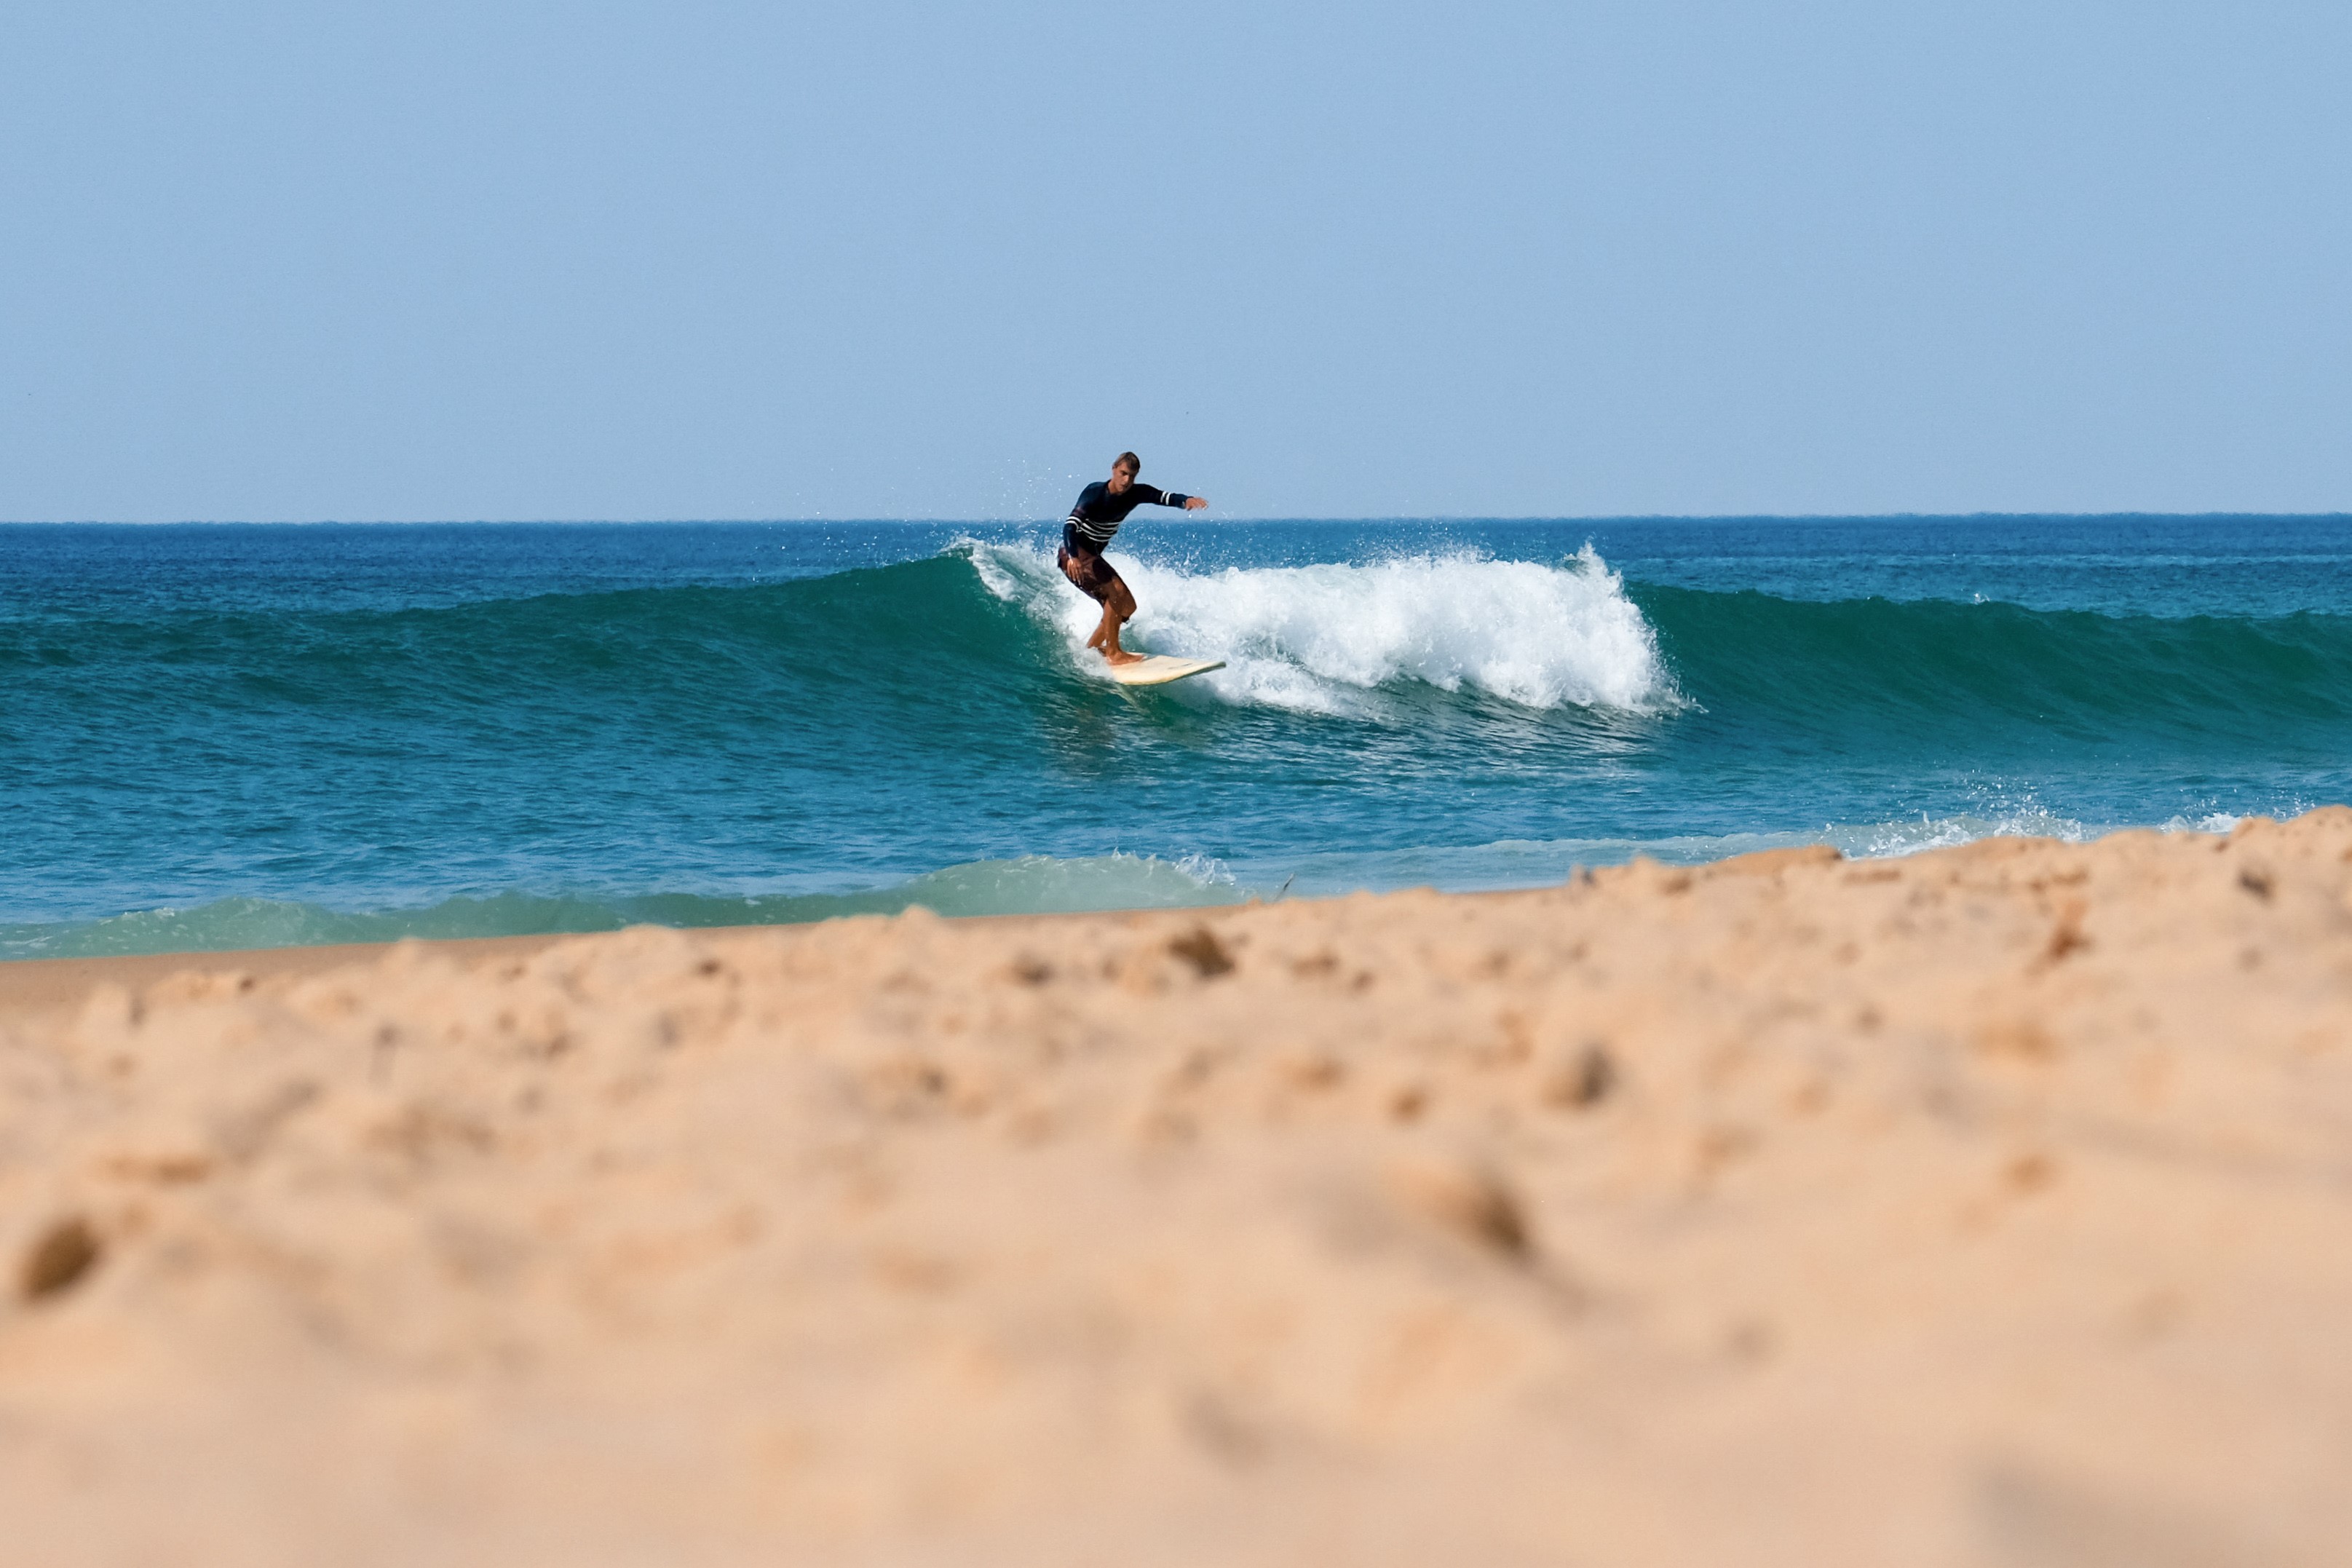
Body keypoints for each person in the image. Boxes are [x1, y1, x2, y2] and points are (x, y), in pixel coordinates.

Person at [1058, 451, 1208, 665]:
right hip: (1075, 554)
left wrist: (1186, 500)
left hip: (1092, 557)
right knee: (1116, 592)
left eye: (1132, 476)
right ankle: (1113, 653)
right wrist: (1073, 557)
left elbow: (1163, 497)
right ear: (1114, 470)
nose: (1127, 480)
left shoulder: (1136, 493)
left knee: (1127, 607)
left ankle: (1091, 650)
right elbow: (1070, 526)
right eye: (1123, 473)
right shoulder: (1094, 493)